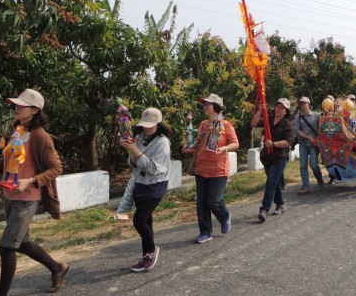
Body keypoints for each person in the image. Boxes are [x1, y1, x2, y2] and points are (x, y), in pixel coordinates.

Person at [0, 89, 68, 295]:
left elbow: (56, 168)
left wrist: (31, 181)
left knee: (7, 247)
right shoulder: (17, 130)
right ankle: (57, 268)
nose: (16, 107)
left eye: (21, 105)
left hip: (27, 199)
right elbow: (8, 158)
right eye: (15, 104)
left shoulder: (40, 136)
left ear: (34, 110)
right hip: (10, 196)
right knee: (22, 243)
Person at [120, 107, 171, 272]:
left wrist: (134, 149)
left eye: (151, 125)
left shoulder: (162, 142)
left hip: (155, 185)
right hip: (140, 183)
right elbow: (133, 163)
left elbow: (154, 168)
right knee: (147, 220)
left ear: (158, 123)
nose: (147, 128)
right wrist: (131, 150)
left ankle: (151, 250)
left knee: (139, 220)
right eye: (144, 125)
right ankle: (146, 256)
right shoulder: (140, 137)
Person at [184, 94, 239, 244]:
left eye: (209, 104)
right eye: (205, 104)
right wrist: (190, 148)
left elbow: (235, 144)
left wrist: (224, 148)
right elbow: (199, 142)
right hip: (201, 167)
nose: (205, 106)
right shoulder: (202, 124)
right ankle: (205, 232)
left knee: (214, 200)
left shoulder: (226, 125)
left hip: (218, 169)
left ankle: (224, 216)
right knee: (201, 202)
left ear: (217, 108)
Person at [251, 98, 294, 222]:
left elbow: (288, 142)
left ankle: (264, 209)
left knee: (270, 183)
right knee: (273, 183)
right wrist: (260, 110)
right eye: (278, 106)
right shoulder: (267, 119)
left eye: (282, 107)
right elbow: (253, 123)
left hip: (280, 158)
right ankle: (280, 204)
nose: (279, 109)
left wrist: (273, 144)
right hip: (267, 157)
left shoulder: (287, 124)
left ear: (286, 111)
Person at [294, 96, 324, 194]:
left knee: (313, 164)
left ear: (309, 104)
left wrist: (317, 139)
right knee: (303, 165)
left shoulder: (316, 116)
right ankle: (306, 186)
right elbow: (296, 130)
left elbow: (322, 129)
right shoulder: (298, 116)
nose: (302, 105)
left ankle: (319, 179)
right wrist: (308, 138)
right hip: (303, 143)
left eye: (304, 103)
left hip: (314, 144)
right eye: (301, 103)